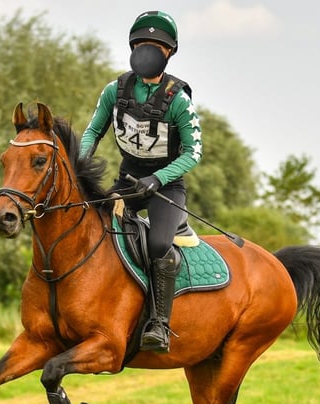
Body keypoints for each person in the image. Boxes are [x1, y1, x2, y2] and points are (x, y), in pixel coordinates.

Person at [80, 10, 203, 353]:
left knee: (158, 245)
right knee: (90, 226)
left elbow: (194, 153)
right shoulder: (114, 90)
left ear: (168, 53)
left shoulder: (178, 99)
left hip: (165, 189)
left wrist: (159, 178)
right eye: (144, 44)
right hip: (128, 183)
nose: (149, 50)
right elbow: (93, 132)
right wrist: (81, 161)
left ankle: (159, 324)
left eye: (157, 46)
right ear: (134, 48)